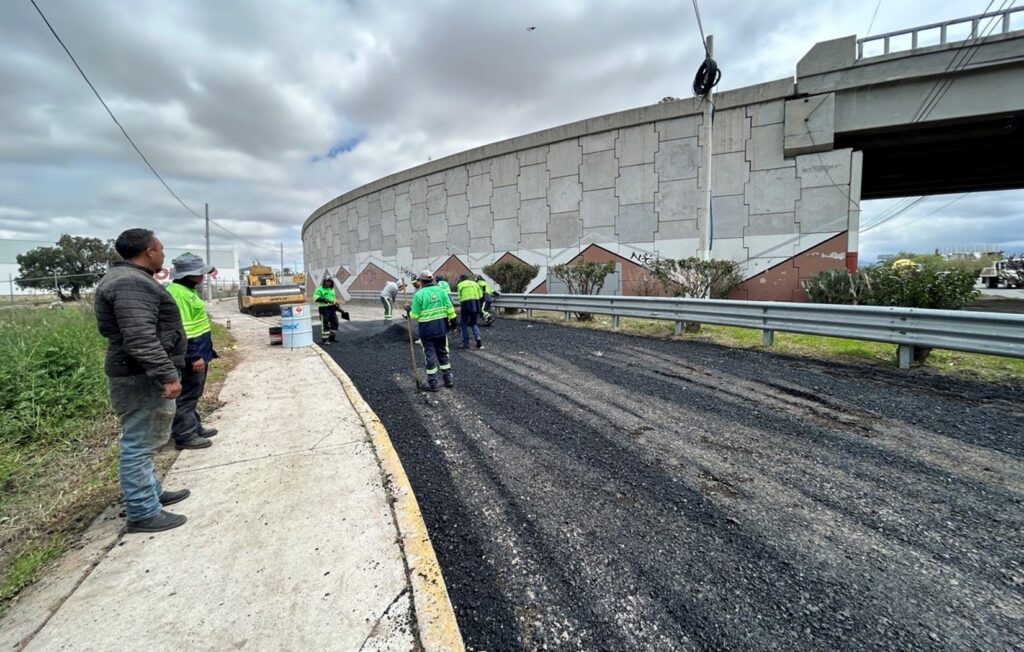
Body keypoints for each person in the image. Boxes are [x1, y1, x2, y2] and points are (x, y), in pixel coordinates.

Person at [94, 228, 190, 533]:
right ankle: (143, 511)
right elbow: (140, 337)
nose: (163, 253)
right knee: (139, 443)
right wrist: (167, 375)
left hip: (137, 370)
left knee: (145, 438)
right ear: (149, 251)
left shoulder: (129, 279)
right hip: (139, 374)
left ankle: (151, 492)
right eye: (160, 248)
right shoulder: (130, 283)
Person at [166, 253, 219, 451]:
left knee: (193, 393)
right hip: (191, 354)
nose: (203, 276)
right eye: (200, 272)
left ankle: (194, 427)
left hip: (200, 351)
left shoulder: (186, 290)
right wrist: (194, 356)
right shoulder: (178, 294)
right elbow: (183, 330)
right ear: (190, 274)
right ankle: (185, 435)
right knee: (187, 395)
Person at [408, 270, 456, 391]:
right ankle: (448, 379)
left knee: (429, 354)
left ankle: (433, 383)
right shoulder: (441, 291)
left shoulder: (419, 295)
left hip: (426, 330)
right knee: (443, 352)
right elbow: (450, 310)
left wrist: (408, 310)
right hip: (441, 328)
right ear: (432, 279)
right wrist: (454, 326)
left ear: (421, 281)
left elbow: (415, 315)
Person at [456, 274, 483, 349]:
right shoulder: (475, 283)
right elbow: (480, 295)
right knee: (474, 323)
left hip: (465, 304)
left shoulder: (460, 285)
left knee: (463, 323)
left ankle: (465, 343)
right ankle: (478, 338)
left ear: (461, 279)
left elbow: (459, 297)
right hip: (475, 304)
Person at [313, 277, 341, 343]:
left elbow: (333, 298)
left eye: (330, 282)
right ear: (324, 282)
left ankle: (332, 338)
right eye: (327, 282)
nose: (328, 283)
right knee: (325, 324)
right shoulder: (319, 289)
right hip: (324, 309)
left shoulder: (332, 289)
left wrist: (337, 304)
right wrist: (323, 299)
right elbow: (315, 297)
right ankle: (325, 339)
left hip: (332, 308)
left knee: (335, 322)